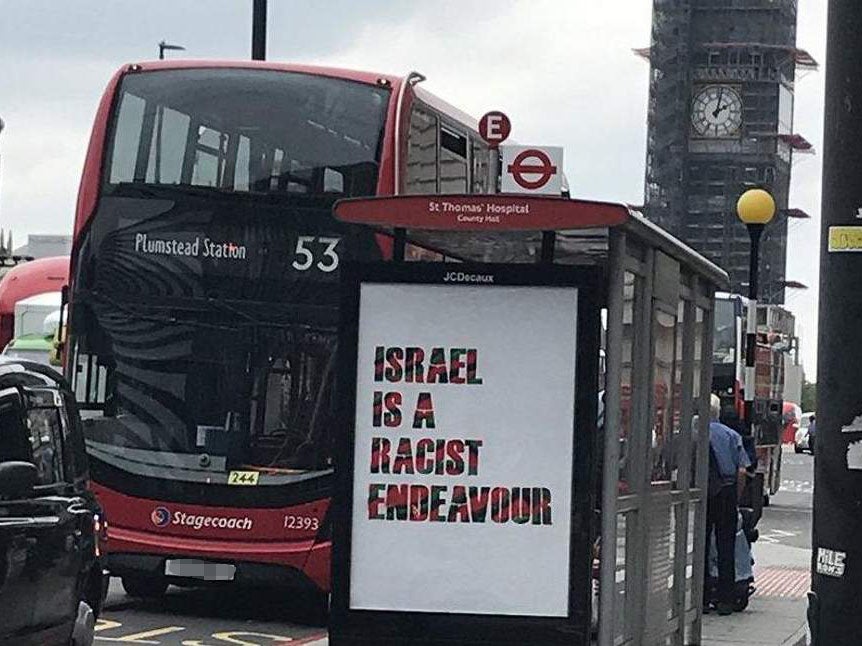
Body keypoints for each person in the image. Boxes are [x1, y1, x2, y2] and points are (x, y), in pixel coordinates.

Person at [705, 394, 751, 615]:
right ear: (718, 413)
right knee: (726, 546)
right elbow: (742, 470)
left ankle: (702, 597)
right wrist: (737, 496)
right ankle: (725, 599)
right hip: (727, 491)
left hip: (703, 493)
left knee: (701, 545)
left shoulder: (694, 433)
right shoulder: (731, 435)